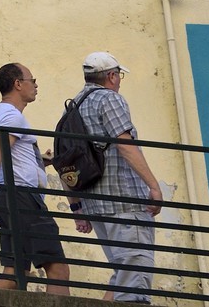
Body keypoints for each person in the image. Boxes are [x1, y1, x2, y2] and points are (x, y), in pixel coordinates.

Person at [0, 62, 70, 294]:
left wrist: (39, 162)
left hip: (12, 199)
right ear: (18, 84)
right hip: (22, 199)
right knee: (58, 270)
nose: (36, 85)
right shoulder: (12, 117)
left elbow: (6, 156)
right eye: (32, 80)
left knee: (15, 276)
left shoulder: (4, 114)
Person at [69, 52, 163, 303]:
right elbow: (125, 144)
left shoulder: (74, 105)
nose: (119, 81)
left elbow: (68, 157)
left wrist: (77, 206)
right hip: (124, 201)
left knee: (123, 275)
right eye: (118, 75)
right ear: (111, 76)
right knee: (136, 279)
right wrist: (153, 187)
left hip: (95, 203)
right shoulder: (110, 99)